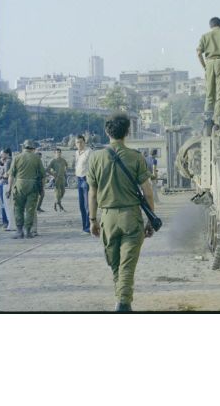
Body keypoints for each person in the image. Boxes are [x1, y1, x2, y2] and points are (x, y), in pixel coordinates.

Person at [87, 112, 154, 312]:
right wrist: (150, 219)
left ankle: (122, 300)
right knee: (127, 263)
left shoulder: (95, 158)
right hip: (131, 217)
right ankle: (123, 302)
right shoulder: (135, 157)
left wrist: (92, 219)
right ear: (128, 132)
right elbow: (148, 192)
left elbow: (92, 193)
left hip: (107, 217)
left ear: (107, 131)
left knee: (115, 263)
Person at [6, 140, 45, 239]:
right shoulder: (36, 158)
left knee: (18, 208)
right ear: (33, 148)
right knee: (30, 209)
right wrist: (42, 189)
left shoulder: (17, 157)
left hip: (19, 184)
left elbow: (11, 175)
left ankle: (19, 231)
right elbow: (43, 176)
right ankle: (28, 231)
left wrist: (9, 189)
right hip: (32, 185)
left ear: (24, 147)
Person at [75, 134, 93, 234]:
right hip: (79, 179)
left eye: (81, 142)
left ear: (84, 142)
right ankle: (84, 227)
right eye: (77, 142)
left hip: (86, 179)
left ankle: (89, 227)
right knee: (81, 205)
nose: (79, 144)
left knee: (87, 205)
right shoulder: (77, 153)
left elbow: (92, 166)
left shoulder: (88, 152)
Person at [0, 151, 9, 229]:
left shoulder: (7, 163)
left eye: (2, 154)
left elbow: (5, 175)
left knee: (4, 204)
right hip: (2, 184)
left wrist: (1, 176)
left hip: (4, 184)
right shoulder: (0, 165)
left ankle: (6, 222)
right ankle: (5, 221)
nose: (1, 156)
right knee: (3, 204)